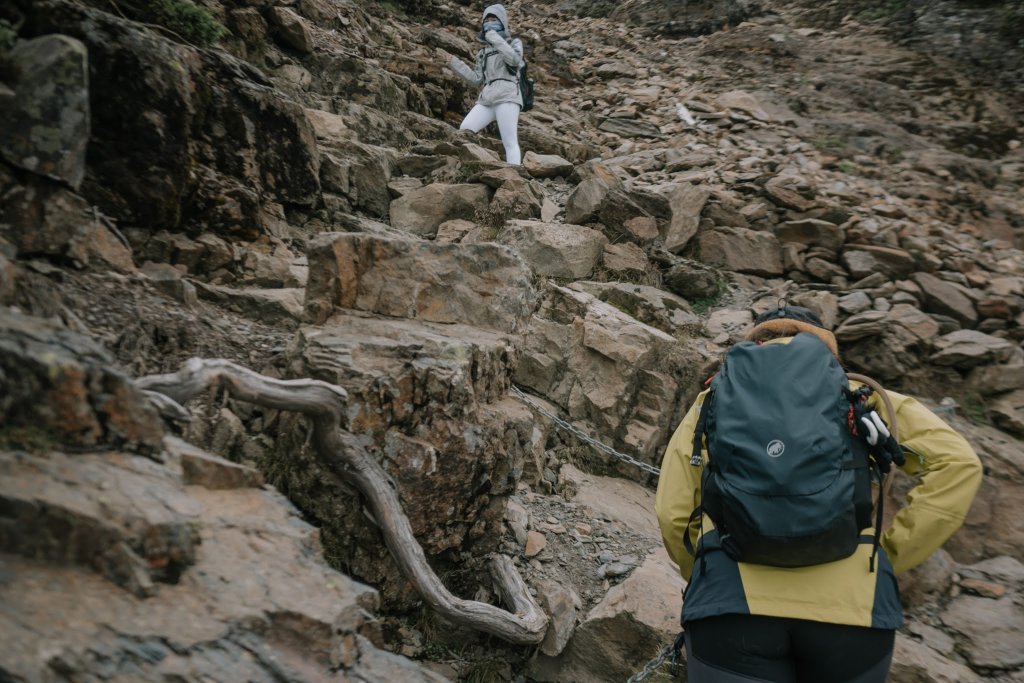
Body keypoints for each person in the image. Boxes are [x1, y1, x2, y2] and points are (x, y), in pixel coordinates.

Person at [655, 305, 983, 683]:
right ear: (827, 347)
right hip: (854, 611)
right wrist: (888, 553)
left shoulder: (714, 401)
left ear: (758, 342)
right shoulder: (861, 396)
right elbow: (958, 464)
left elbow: (673, 510)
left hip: (731, 604)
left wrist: (704, 566)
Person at [439, 4, 524, 165]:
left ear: (502, 22)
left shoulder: (514, 43)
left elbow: (514, 60)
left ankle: (515, 179)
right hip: (487, 98)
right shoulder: (483, 53)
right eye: (486, 20)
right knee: (465, 129)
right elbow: (476, 79)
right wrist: (454, 62)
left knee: (509, 141)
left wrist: (495, 38)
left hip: (508, 97)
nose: (489, 23)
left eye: (494, 20)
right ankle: (470, 164)